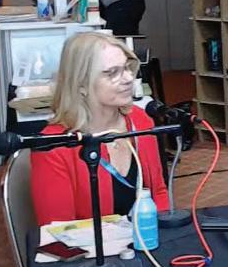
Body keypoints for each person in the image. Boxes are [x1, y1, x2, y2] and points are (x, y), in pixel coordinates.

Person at [30, 32, 170, 226]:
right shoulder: (53, 146)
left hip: (146, 238)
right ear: (81, 85)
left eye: (127, 68)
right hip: (90, 244)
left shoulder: (140, 121)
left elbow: (159, 193)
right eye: (112, 72)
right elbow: (58, 230)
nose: (128, 78)